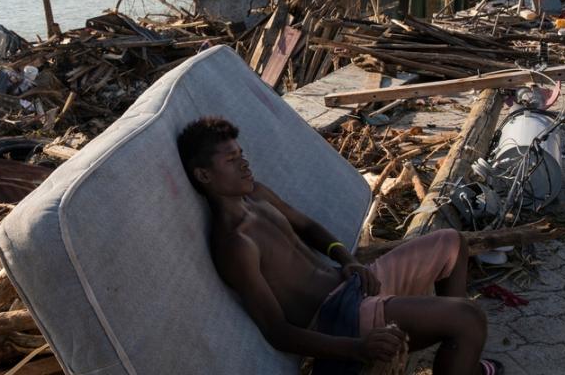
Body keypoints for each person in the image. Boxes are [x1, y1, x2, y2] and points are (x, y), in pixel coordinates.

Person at [177, 117, 503, 375]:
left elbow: (308, 226)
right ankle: (460, 349)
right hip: (343, 320)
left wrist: (347, 259)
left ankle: (459, 358)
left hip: (354, 283)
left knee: (452, 244)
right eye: (231, 160)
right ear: (204, 175)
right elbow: (277, 332)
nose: (244, 164)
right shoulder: (235, 244)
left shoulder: (256, 195)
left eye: (242, 155)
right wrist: (357, 348)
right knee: (468, 318)